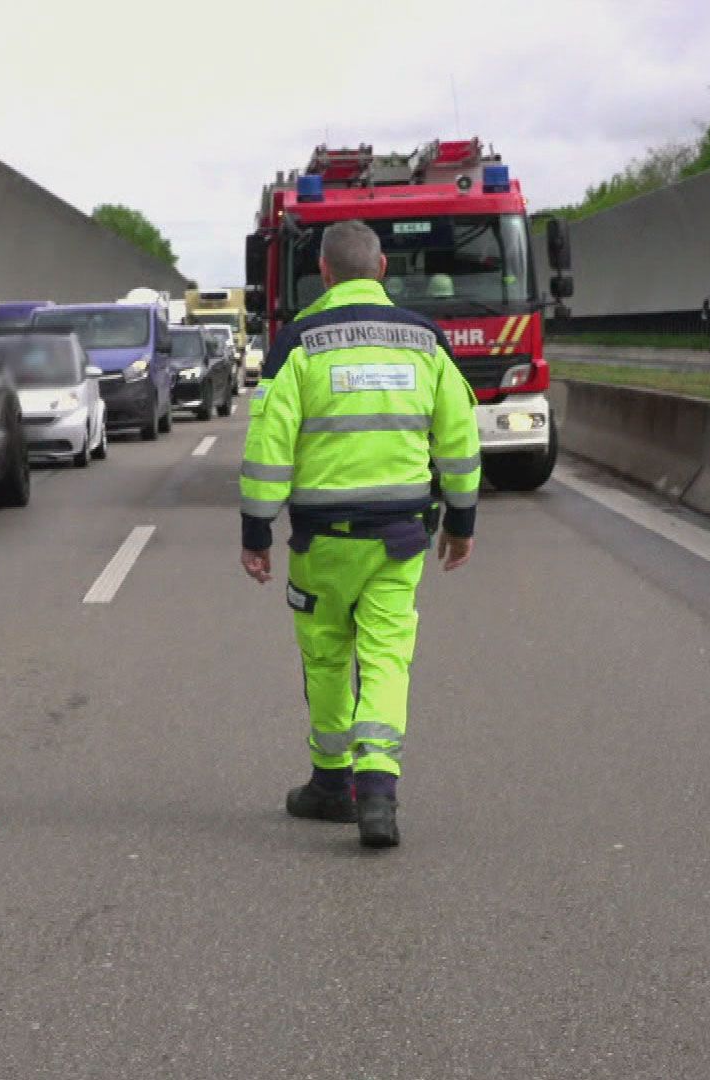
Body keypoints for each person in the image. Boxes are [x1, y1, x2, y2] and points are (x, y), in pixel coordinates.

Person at [239, 219, 480, 849]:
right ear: (381, 272)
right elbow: (459, 437)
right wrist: (461, 520)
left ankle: (330, 783)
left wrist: (256, 530)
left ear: (323, 273)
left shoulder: (299, 342)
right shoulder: (425, 341)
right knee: (386, 658)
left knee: (325, 657)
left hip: (321, 542)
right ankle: (378, 793)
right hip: (400, 538)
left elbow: (269, 444)